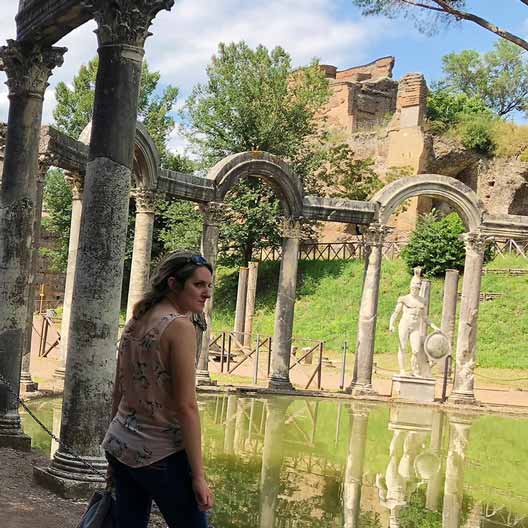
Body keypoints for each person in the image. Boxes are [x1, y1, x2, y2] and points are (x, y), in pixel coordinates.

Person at [102, 250, 215, 527]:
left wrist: (114, 446)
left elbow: (120, 388)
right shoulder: (180, 326)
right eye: (198, 285)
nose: (206, 293)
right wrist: (198, 476)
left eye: (209, 285)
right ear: (174, 284)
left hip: (120, 444)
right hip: (160, 454)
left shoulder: (136, 319)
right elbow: (186, 406)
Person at [389, 267, 439, 377]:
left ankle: (415, 370)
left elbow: (425, 318)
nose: (414, 289)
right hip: (405, 324)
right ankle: (402, 370)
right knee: (402, 346)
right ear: (410, 286)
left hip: (416, 326)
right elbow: (396, 313)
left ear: (419, 288)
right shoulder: (404, 298)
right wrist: (391, 324)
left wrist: (434, 326)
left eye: (417, 287)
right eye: (413, 286)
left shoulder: (422, 301)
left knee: (416, 350)